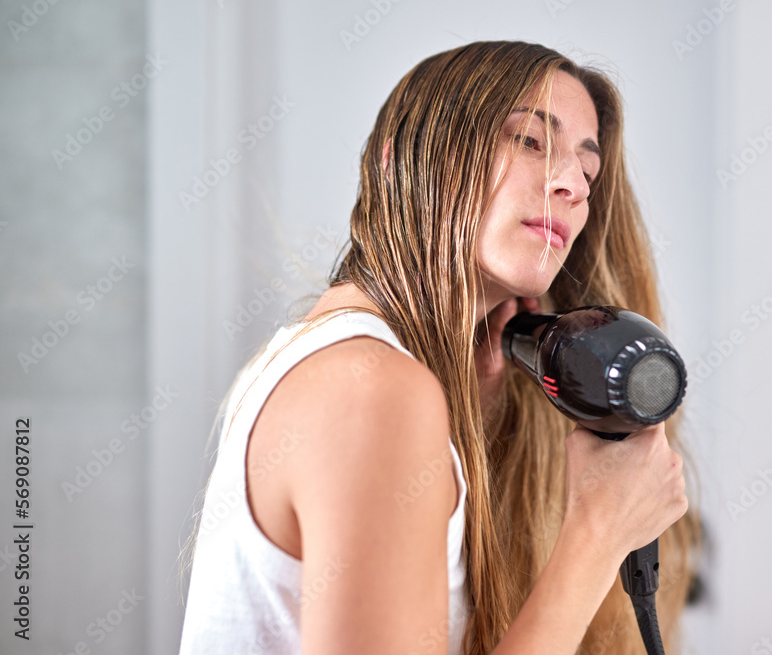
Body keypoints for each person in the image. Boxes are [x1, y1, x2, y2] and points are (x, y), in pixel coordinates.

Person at [178, 40, 697, 655]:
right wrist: (596, 536)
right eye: (530, 140)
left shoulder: (351, 370)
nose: (572, 187)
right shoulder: (371, 389)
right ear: (400, 161)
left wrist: (468, 409)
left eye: (587, 172)